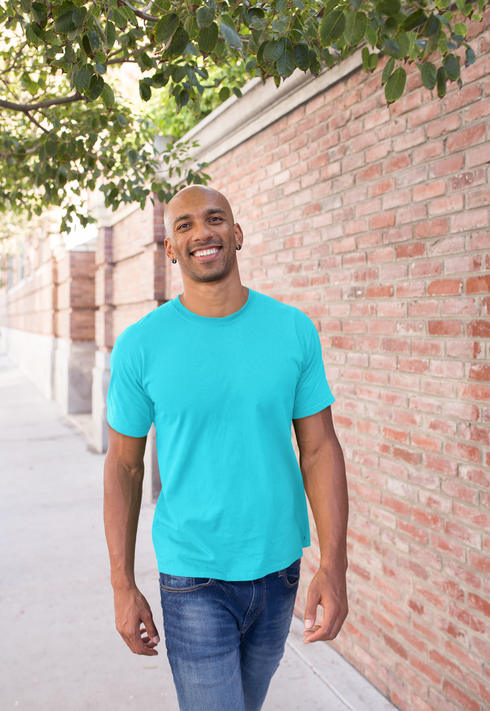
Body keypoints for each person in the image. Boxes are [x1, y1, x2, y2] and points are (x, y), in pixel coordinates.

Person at [103, 186, 349, 711]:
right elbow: (124, 466)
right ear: (171, 248)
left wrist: (334, 565)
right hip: (194, 577)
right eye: (184, 225)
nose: (201, 233)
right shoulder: (140, 346)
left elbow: (321, 448)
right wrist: (123, 585)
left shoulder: (292, 330)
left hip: (279, 569)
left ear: (236, 235)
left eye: (214, 220)